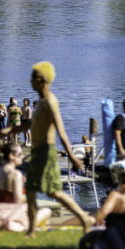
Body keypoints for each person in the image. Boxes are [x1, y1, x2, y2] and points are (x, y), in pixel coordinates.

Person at [24, 61, 93, 237]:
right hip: (36, 152)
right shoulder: (40, 102)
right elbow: (34, 124)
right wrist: (10, 130)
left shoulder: (50, 101)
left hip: (47, 153)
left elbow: (61, 130)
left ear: (41, 80)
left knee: (53, 192)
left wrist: (71, 156)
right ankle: (31, 230)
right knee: (30, 190)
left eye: (33, 77)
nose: (30, 81)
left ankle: (83, 218)